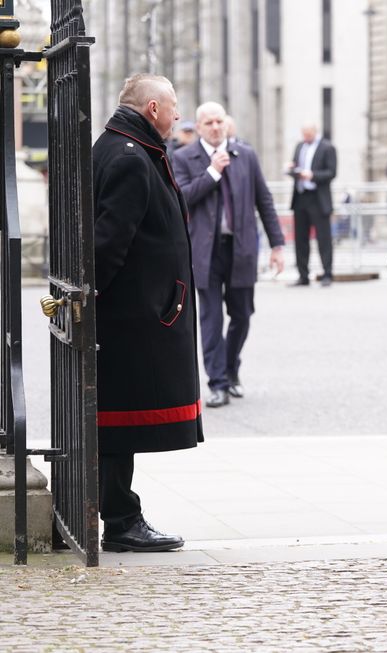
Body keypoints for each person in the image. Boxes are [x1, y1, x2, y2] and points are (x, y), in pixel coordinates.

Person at [92, 73, 203, 552]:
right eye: (174, 106)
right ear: (153, 108)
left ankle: (116, 514)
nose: (178, 116)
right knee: (117, 424)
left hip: (133, 311)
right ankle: (121, 521)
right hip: (133, 316)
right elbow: (108, 242)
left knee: (114, 422)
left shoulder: (116, 145)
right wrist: (86, 299)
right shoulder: (131, 158)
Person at [171, 102, 286, 408]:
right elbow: (181, 198)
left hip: (241, 248)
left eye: (219, 121)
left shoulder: (245, 155)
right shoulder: (183, 157)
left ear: (226, 123)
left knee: (242, 315)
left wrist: (277, 245)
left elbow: (264, 200)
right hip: (204, 252)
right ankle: (218, 382)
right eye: (208, 122)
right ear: (198, 128)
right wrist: (212, 172)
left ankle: (231, 368)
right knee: (210, 319)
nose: (215, 127)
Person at [286, 125, 336, 286]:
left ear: (315, 132)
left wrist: (313, 175)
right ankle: (303, 275)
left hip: (318, 198)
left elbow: (331, 172)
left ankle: (327, 274)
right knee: (300, 239)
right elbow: (296, 166)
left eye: (308, 134)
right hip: (300, 197)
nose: (305, 137)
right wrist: (292, 169)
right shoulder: (299, 146)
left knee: (324, 238)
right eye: (303, 134)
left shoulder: (327, 148)